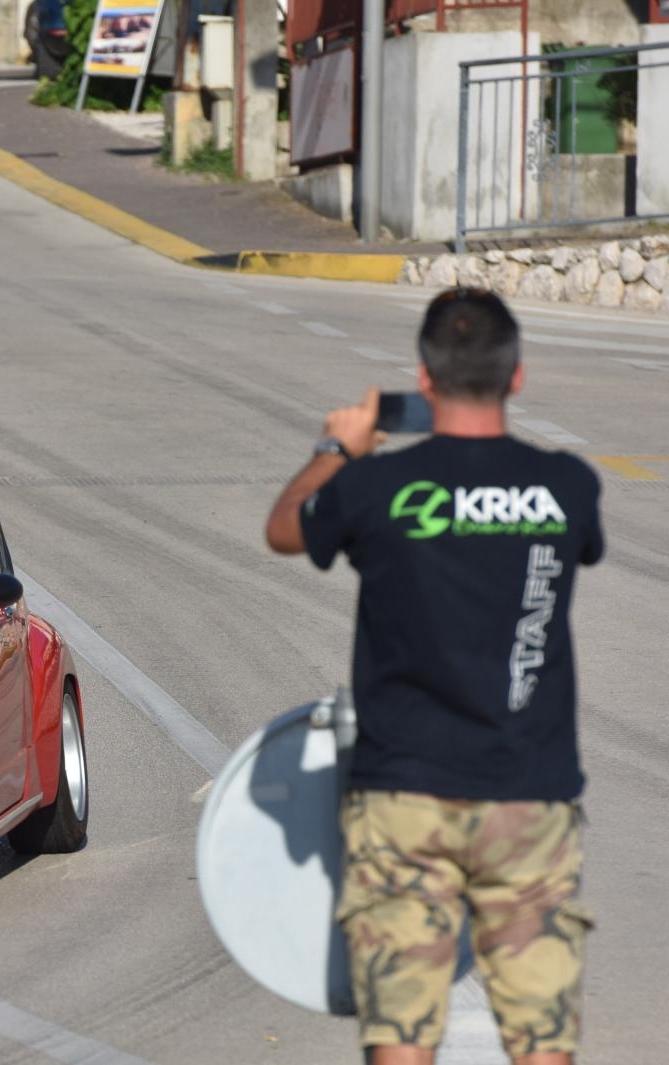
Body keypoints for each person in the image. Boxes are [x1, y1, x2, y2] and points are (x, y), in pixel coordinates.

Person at [263, 288, 604, 1065]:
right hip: (530, 793)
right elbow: (578, 548)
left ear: (423, 380)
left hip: (405, 796)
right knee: (543, 1036)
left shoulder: (375, 488)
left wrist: (340, 448)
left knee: (402, 1033)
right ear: (516, 377)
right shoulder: (568, 487)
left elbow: (285, 528)